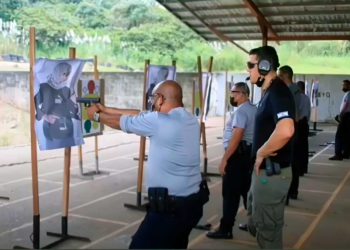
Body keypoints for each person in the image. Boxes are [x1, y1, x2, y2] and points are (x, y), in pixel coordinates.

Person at [86, 80, 209, 249]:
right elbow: (140, 114)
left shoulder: (158, 121)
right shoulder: (190, 119)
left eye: (153, 98)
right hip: (192, 204)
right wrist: (107, 109)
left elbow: (124, 123)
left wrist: (96, 116)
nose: (151, 102)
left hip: (169, 210)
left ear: (160, 99)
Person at [245, 45, 295, 249]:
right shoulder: (269, 92)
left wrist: (261, 152)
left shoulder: (278, 93)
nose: (248, 70)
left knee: (268, 233)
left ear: (265, 66)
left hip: (271, 175)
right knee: (256, 222)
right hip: (264, 173)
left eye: (251, 65)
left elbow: (286, 130)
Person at [206, 82, 256, 239]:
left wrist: (225, 159)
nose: (231, 96)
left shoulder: (240, 112)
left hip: (237, 157)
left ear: (242, 93)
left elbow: (237, 135)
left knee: (230, 195)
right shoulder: (254, 110)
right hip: (248, 155)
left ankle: (226, 228)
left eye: (233, 93)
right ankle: (255, 225)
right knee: (247, 192)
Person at [34, 62, 80, 149]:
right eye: (64, 74)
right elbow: (35, 104)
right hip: (52, 133)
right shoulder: (44, 87)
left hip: (68, 132)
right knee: (53, 158)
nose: (66, 77)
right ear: (58, 72)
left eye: (68, 75)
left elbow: (74, 111)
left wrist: (74, 101)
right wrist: (46, 116)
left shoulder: (66, 89)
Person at [278, 65, 302, 201]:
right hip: (290, 127)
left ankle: (289, 192)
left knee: (290, 162)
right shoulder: (292, 90)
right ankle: (290, 191)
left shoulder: (292, 91)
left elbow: (292, 112)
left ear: (285, 75)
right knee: (290, 161)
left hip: (290, 128)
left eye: (280, 74)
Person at [329, 79, 350, 160]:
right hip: (347, 116)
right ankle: (346, 153)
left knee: (339, 135)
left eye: (344, 85)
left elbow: (346, 106)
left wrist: (340, 115)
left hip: (346, 116)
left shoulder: (348, 94)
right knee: (346, 135)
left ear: (349, 86)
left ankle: (338, 154)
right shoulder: (347, 94)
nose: (343, 86)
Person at [296, 81, 311, 175]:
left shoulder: (297, 98)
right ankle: (303, 168)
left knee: (297, 147)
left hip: (299, 123)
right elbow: (308, 111)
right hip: (305, 123)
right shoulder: (306, 98)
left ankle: (298, 169)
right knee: (304, 147)